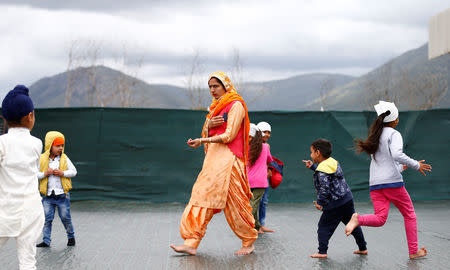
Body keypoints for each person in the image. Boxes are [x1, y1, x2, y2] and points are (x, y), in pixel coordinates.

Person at [170, 71, 258, 256]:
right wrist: (208, 127)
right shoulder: (215, 108)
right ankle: (191, 242)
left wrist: (202, 141)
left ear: (225, 85)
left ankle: (248, 240)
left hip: (230, 161)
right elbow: (208, 130)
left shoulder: (236, 105)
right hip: (213, 161)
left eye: (215, 86)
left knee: (236, 204)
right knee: (201, 196)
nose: (212, 90)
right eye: (210, 86)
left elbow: (229, 136)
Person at [346, 101, 432, 259]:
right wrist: (415, 165)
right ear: (395, 120)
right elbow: (397, 155)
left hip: (375, 185)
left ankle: (358, 218)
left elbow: (385, 163)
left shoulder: (375, 137)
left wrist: (400, 168)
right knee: (410, 215)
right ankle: (413, 251)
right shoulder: (394, 134)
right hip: (393, 184)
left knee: (380, 219)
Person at [0, 85, 45, 270]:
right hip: (31, 210)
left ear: (4, 118)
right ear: (30, 116)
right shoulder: (37, 144)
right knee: (28, 261)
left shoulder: (2, 143)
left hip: (5, 207)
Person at [302, 139, 367, 258]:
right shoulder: (333, 162)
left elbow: (324, 188)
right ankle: (363, 248)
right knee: (353, 223)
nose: (310, 155)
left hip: (335, 205)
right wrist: (313, 167)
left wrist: (320, 203)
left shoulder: (322, 170)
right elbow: (329, 174)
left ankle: (322, 252)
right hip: (347, 199)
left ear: (317, 153)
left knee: (324, 227)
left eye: (311, 152)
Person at [36, 131, 77, 248]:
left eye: (62, 146)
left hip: (62, 196)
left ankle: (71, 236)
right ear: (50, 146)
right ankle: (46, 241)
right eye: (57, 146)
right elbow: (34, 174)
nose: (60, 148)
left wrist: (62, 173)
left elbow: (74, 171)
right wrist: (45, 173)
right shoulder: (42, 159)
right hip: (48, 196)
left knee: (65, 217)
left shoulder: (64, 158)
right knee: (46, 219)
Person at [247, 124, 273, 234]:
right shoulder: (266, 147)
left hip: (247, 180)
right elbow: (270, 160)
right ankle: (249, 227)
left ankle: (257, 226)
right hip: (261, 182)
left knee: (252, 204)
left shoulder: (245, 147)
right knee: (252, 205)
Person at [256, 121, 275, 233]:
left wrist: (268, 169)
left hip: (264, 178)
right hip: (255, 179)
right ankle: (255, 225)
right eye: (264, 132)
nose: (267, 134)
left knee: (264, 202)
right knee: (255, 202)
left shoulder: (267, 146)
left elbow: (267, 160)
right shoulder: (252, 145)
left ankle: (262, 225)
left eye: (269, 132)